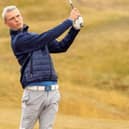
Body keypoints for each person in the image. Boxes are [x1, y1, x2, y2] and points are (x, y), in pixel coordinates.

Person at [2, 5, 83, 129]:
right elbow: (46, 37)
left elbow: (61, 46)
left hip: (52, 92)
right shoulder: (19, 40)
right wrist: (69, 21)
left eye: (18, 16)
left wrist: (75, 29)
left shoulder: (35, 38)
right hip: (34, 94)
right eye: (12, 18)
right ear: (6, 23)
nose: (17, 19)